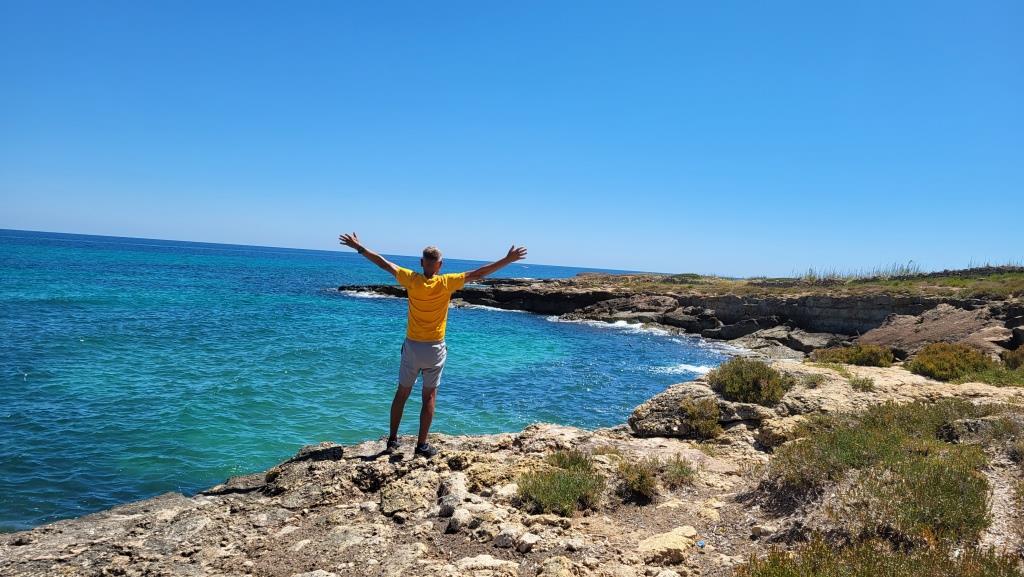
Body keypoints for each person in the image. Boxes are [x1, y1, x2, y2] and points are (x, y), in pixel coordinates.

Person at [339, 233, 528, 458]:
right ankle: (421, 445)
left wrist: (359, 247)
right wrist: (508, 260)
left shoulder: (411, 279)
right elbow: (479, 273)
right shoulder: (447, 282)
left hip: (412, 347)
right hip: (434, 348)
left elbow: (384, 264)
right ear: (440, 265)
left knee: (402, 394)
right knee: (429, 396)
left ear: (422, 263)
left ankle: (392, 441)